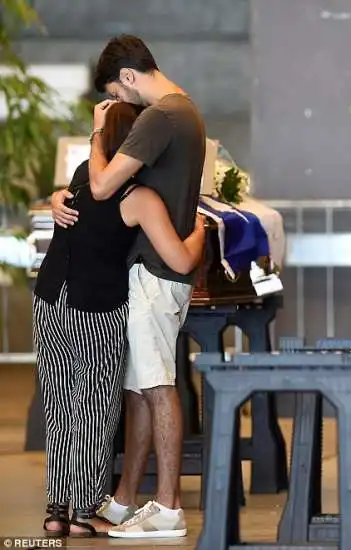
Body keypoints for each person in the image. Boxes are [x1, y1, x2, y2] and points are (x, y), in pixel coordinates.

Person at [50, 34, 206, 539]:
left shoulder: (160, 116)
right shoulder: (186, 113)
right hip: (156, 269)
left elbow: (100, 186)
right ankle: (124, 500)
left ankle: (167, 507)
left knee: (157, 386)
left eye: (118, 92)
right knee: (142, 387)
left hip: (159, 272)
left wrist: (98, 133)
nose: (120, 104)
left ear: (131, 76)